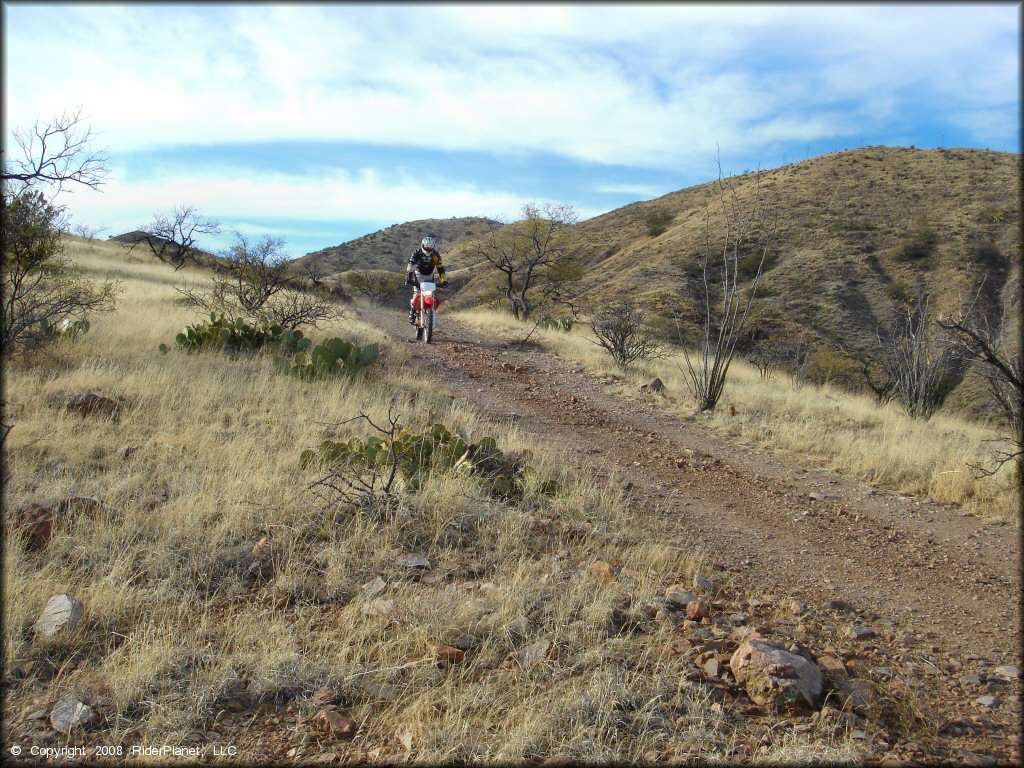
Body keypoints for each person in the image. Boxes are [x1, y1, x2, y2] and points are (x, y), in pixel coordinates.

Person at [406, 236, 447, 323]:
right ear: (422, 246)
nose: (428, 249)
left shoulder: (435, 254)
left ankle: (430, 312)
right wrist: (409, 277)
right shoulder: (417, 253)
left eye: (430, 247)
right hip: (418, 274)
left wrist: (443, 280)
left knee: (431, 293)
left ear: (433, 247)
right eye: (426, 247)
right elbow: (411, 265)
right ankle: (412, 312)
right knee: (416, 294)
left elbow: (440, 267)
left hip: (429, 275)